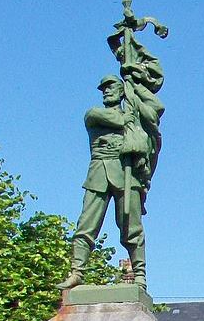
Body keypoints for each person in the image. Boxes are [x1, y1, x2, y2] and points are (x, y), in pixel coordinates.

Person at [58, 74, 162, 291]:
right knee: (86, 226)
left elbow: (156, 109)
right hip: (98, 173)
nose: (106, 91)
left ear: (121, 90)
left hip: (126, 174)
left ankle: (140, 274)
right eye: (104, 88)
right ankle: (77, 271)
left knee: (131, 227)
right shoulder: (94, 114)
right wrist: (132, 113)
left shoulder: (132, 113)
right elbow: (118, 121)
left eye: (112, 87)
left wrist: (135, 90)